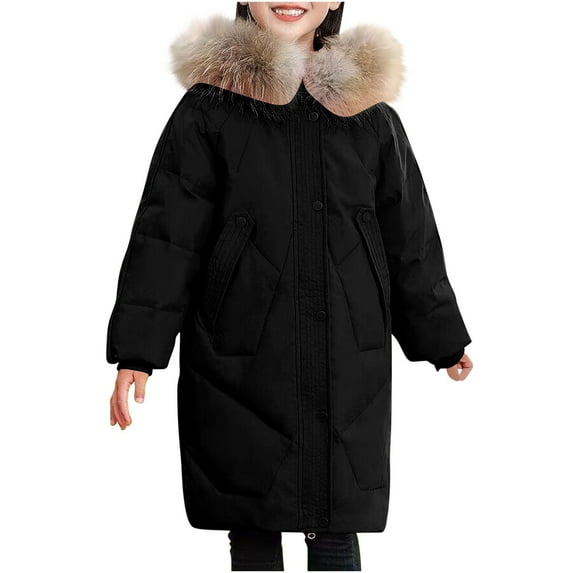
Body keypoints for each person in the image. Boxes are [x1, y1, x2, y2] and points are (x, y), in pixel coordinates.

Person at [107, 2, 474, 570]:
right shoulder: (211, 109)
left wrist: (440, 335)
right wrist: (138, 349)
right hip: (242, 355)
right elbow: (168, 236)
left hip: (345, 361)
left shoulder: (370, 116)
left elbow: (409, 236)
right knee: (253, 520)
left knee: (336, 521)